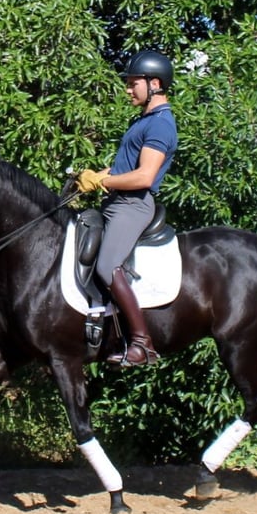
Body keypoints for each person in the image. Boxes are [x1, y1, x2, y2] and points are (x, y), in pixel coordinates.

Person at [76, 50, 178, 367]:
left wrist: (104, 183)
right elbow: (125, 168)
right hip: (117, 202)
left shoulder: (161, 125)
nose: (128, 89)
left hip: (131, 207)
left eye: (134, 83)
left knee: (107, 266)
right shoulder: (144, 121)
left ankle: (142, 344)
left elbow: (144, 176)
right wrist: (97, 175)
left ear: (155, 84)